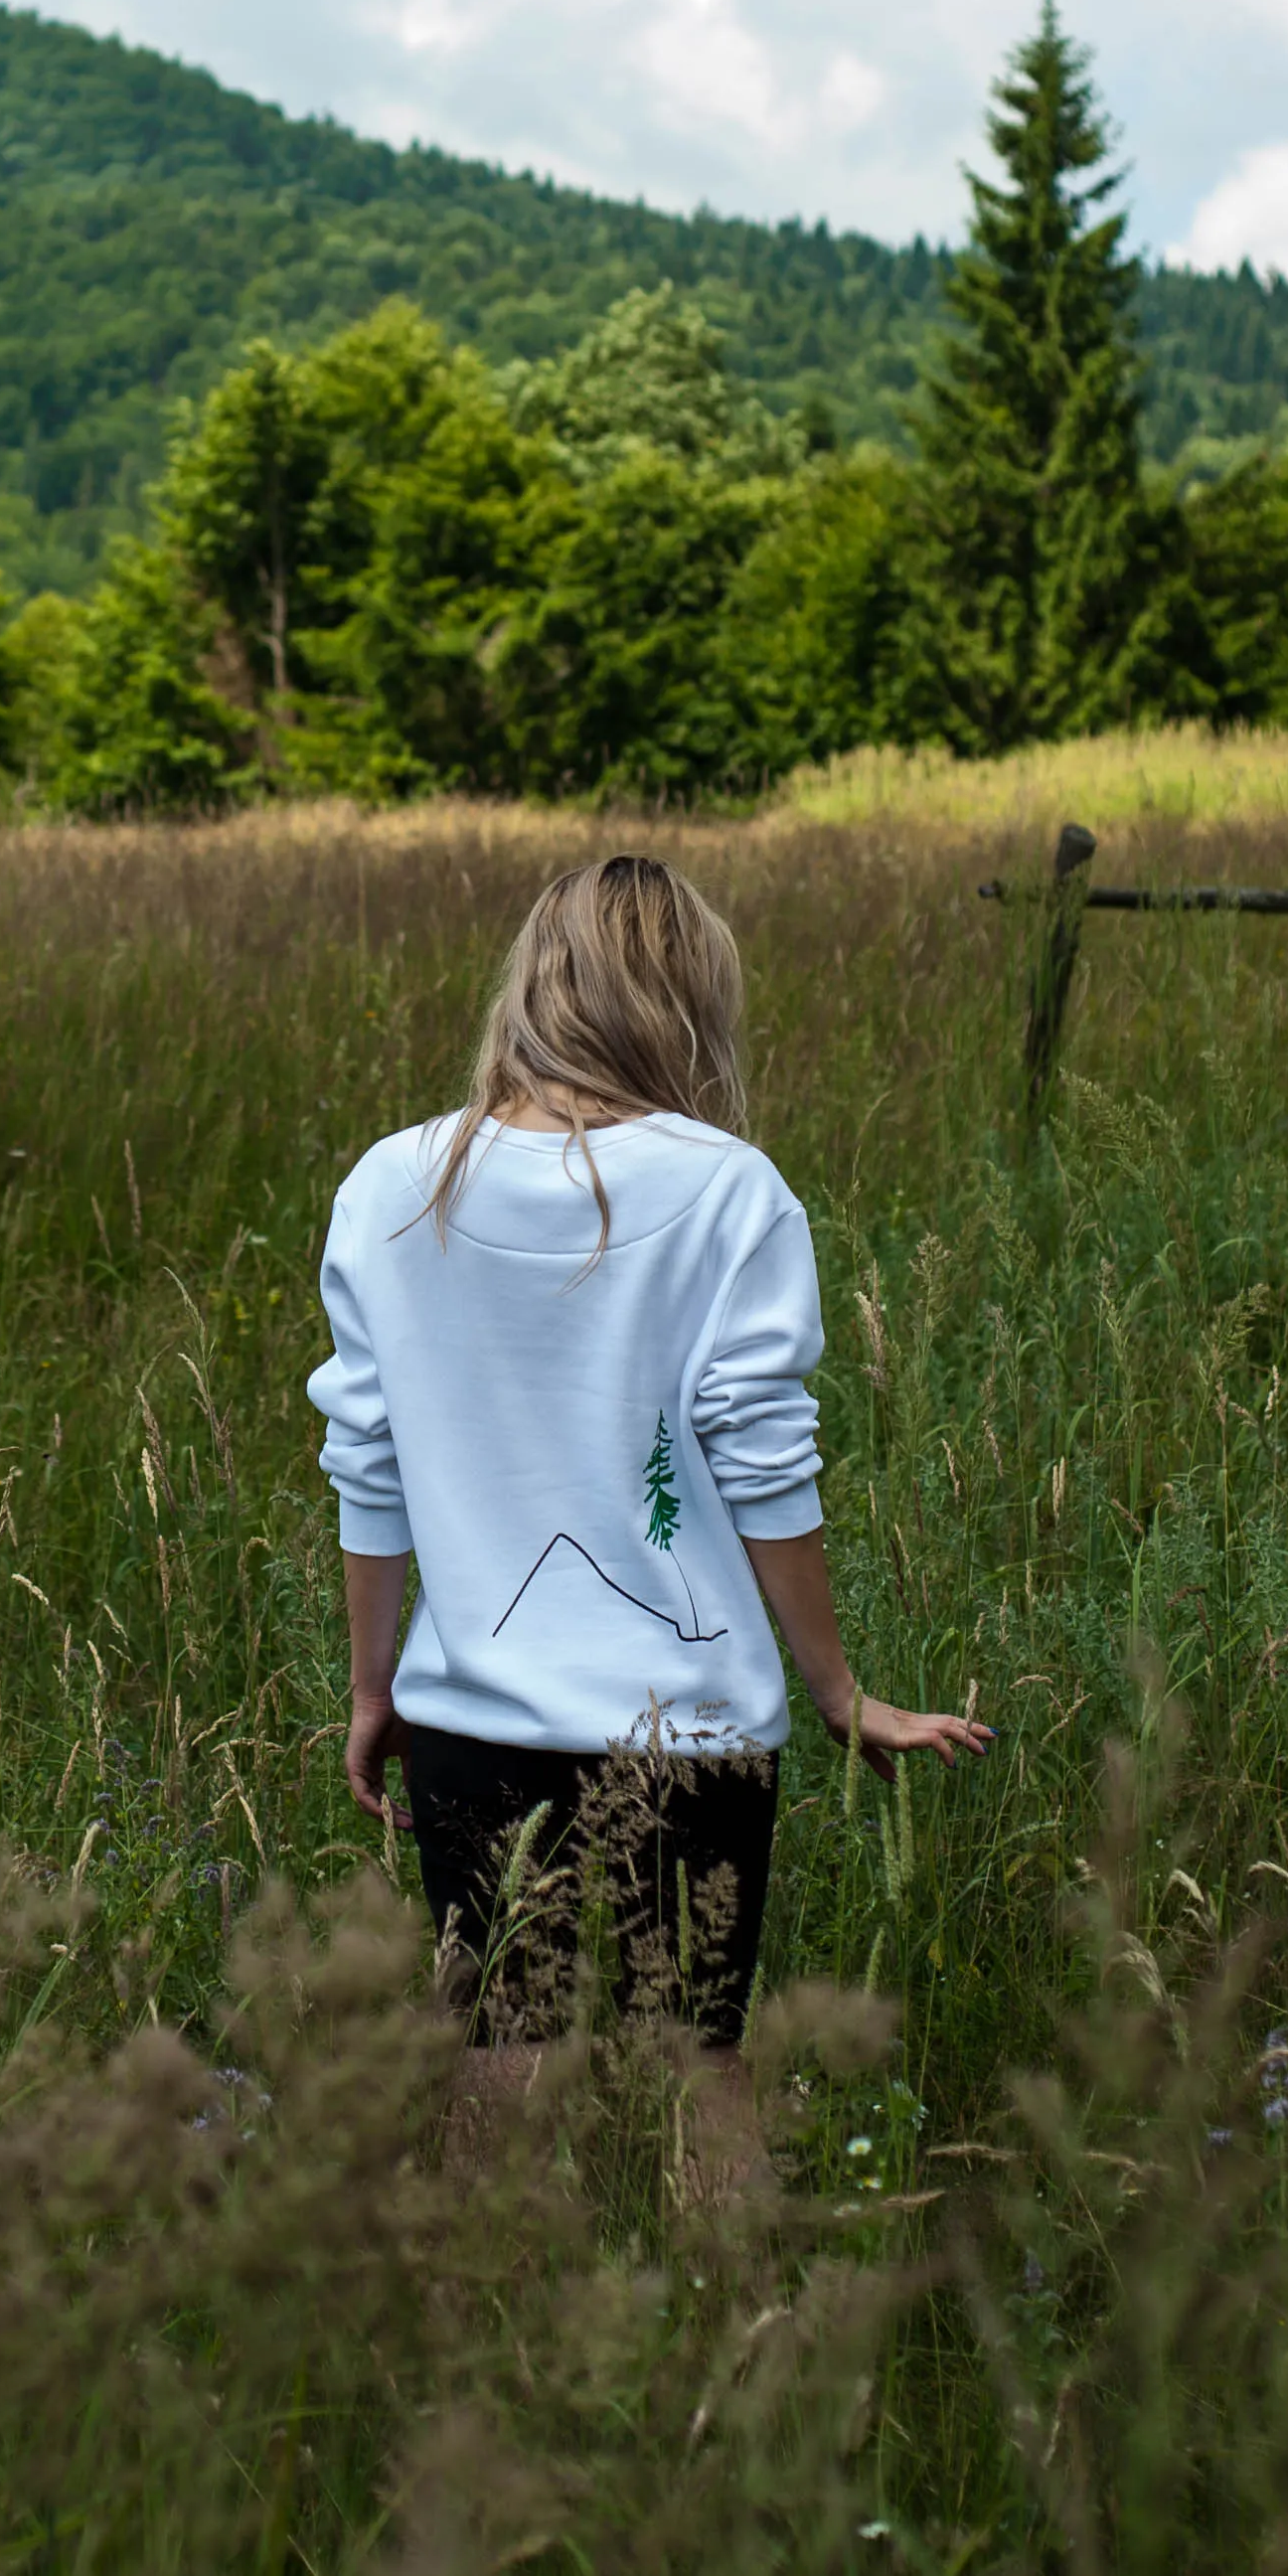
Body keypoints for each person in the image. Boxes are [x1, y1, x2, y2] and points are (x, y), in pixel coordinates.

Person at [307, 851, 989, 2166]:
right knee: (697, 2058)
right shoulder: (730, 1188)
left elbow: (368, 1461)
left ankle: (516, 2361)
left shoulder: (391, 1186)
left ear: (531, 988)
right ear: (688, 1003)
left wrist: (372, 1686)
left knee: (501, 2058)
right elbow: (762, 1453)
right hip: (698, 1722)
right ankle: (739, 2358)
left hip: (467, 1713)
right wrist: (837, 1690)